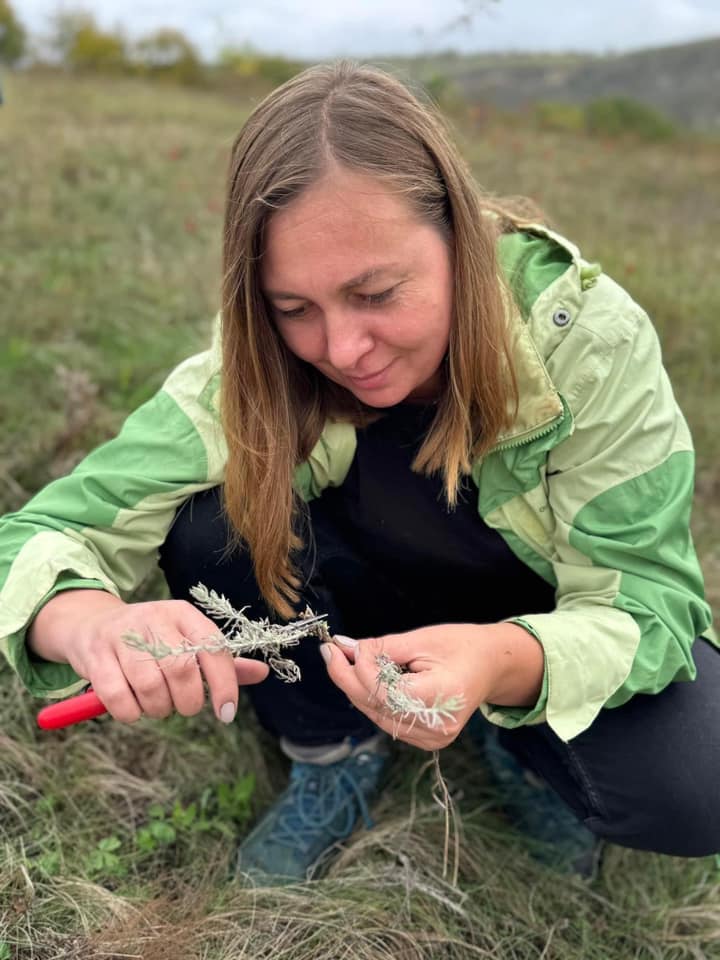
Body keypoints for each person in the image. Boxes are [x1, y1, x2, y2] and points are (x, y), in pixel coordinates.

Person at [0, 60, 717, 884]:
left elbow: (651, 604)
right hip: (369, 599)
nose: (340, 350)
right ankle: (332, 750)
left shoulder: (590, 343)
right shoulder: (255, 365)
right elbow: (39, 534)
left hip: (535, 614)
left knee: (696, 776)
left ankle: (516, 738)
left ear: (460, 234)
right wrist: (88, 621)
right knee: (209, 520)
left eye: (376, 292)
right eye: (293, 308)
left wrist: (500, 659)